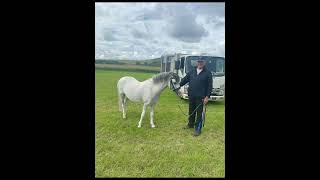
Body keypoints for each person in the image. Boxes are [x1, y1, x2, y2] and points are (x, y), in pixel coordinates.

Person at [179, 57, 213, 136]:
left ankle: (198, 129)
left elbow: (210, 86)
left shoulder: (208, 73)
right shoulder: (192, 71)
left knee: (199, 113)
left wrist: (207, 97)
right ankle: (190, 124)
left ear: (204, 63)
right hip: (191, 95)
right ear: (197, 62)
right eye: (199, 62)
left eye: (202, 62)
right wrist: (178, 84)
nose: (200, 63)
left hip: (201, 97)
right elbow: (184, 80)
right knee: (191, 111)